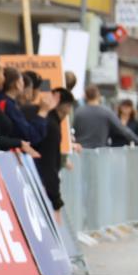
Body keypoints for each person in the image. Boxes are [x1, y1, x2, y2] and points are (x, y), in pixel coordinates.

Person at [35, 88, 77, 221]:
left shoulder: (51, 122)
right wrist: (56, 201)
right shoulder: (52, 126)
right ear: (67, 107)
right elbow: (49, 164)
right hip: (40, 183)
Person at [72, 85, 138, 149]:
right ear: (98, 95)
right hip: (100, 154)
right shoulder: (106, 112)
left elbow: (72, 132)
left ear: (85, 96)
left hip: (81, 152)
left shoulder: (78, 112)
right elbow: (123, 129)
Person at [0, 66, 50, 145]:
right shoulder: (8, 105)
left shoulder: (4, 101)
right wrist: (43, 112)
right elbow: (29, 135)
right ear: (17, 84)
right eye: (22, 80)